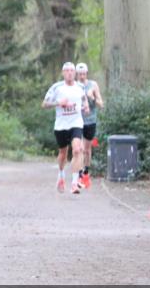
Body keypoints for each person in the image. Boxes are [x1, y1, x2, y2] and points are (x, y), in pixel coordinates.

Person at [42, 62, 90, 194]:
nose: (69, 73)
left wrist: (86, 106)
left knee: (77, 150)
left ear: (74, 73)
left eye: (71, 71)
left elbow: (83, 97)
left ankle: (74, 183)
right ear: (63, 73)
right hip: (61, 125)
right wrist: (58, 103)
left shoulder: (80, 86)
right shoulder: (56, 87)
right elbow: (44, 104)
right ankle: (61, 174)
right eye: (67, 70)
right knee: (63, 153)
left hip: (76, 123)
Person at [75, 62, 104, 189]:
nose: (82, 76)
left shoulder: (93, 85)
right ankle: (79, 174)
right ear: (77, 74)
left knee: (87, 149)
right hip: (76, 121)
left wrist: (92, 98)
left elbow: (101, 104)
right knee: (79, 148)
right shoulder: (74, 86)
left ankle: (86, 172)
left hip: (90, 120)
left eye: (83, 74)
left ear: (87, 73)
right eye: (79, 74)